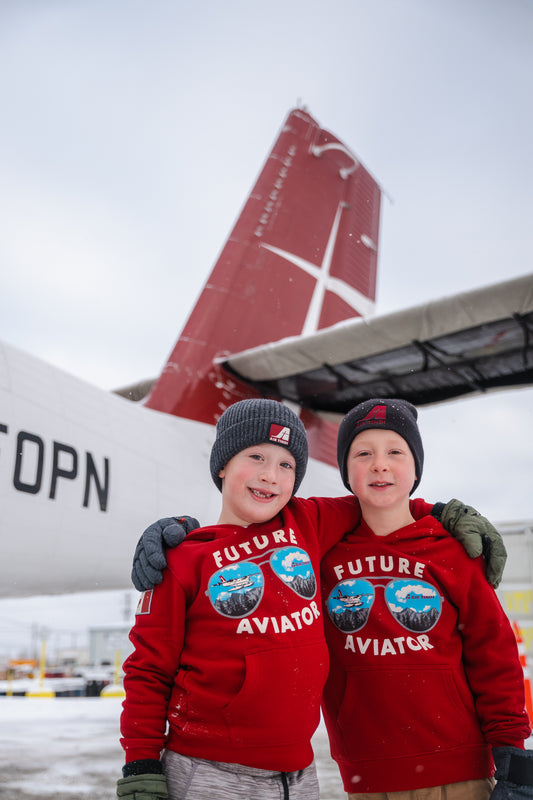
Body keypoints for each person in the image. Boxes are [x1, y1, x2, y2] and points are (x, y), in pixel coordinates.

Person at [117, 398, 450, 800]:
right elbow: (147, 671)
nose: (270, 476)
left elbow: (379, 498)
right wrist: (140, 763)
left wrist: (442, 512)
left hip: (299, 774)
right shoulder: (184, 558)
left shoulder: (307, 521)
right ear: (222, 464)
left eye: (286, 465)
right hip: (209, 771)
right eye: (256, 456)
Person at [320, 398, 533, 800]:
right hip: (368, 776)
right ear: (346, 470)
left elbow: (494, 654)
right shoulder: (324, 556)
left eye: (395, 452)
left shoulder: (453, 552)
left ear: (416, 468)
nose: (380, 464)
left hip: (458, 772)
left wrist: (512, 756)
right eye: (363, 453)